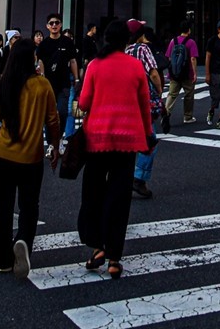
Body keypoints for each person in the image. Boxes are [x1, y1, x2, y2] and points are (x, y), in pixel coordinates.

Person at [0, 38, 59, 278]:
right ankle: (24, 241)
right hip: (31, 157)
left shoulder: (2, 84)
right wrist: (55, 146)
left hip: (2, 154)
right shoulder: (42, 85)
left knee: (4, 207)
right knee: (29, 206)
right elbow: (53, 121)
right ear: (31, 59)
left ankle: (3, 261)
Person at [77, 19, 153, 277]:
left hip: (97, 138)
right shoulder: (135, 66)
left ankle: (97, 245)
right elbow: (145, 105)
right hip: (128, 139)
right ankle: (114, 258)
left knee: (93, 193)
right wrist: (148, 135)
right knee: (119, 198)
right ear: (127, 41)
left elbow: (84, 102)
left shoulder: (95, 65)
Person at [125, 20, 163, 197]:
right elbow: (153, 72)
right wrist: (159, 89)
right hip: (143, 99)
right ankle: (138, 178)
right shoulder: (142, 49)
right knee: (150, 140)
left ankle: (124, 177)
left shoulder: (124, 50)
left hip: (126, 100)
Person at [36, 13, 79, 134]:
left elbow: (73, 60)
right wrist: (42, 76)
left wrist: (76, 79)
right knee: (48, 113)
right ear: (47, 26)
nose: (54, 25)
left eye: (57, 23)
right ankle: (51, 141)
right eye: (51, 23)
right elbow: (40, 61)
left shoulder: (67, 42)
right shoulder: (44, 44)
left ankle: (59, 137)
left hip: (64, 82)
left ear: (60, 25)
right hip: (48, 83)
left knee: (63, 111)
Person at [164, 21, 199, 125]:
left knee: (172, 94)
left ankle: (166, 113)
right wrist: (194, 73)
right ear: (189, 30)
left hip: (174, 74)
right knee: (189, 95)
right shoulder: (191, 42)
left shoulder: (173, 41)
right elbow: (193, 58)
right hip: (187, 74)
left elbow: (169, 57)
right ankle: (187, 116)